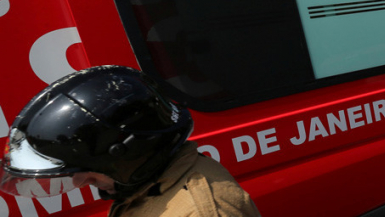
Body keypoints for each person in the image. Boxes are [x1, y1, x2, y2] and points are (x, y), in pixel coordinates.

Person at [0, 65, 261, 217]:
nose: (85, 184)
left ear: (132, 152)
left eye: (91, 175)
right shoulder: (150, 187)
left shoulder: (199, 212)